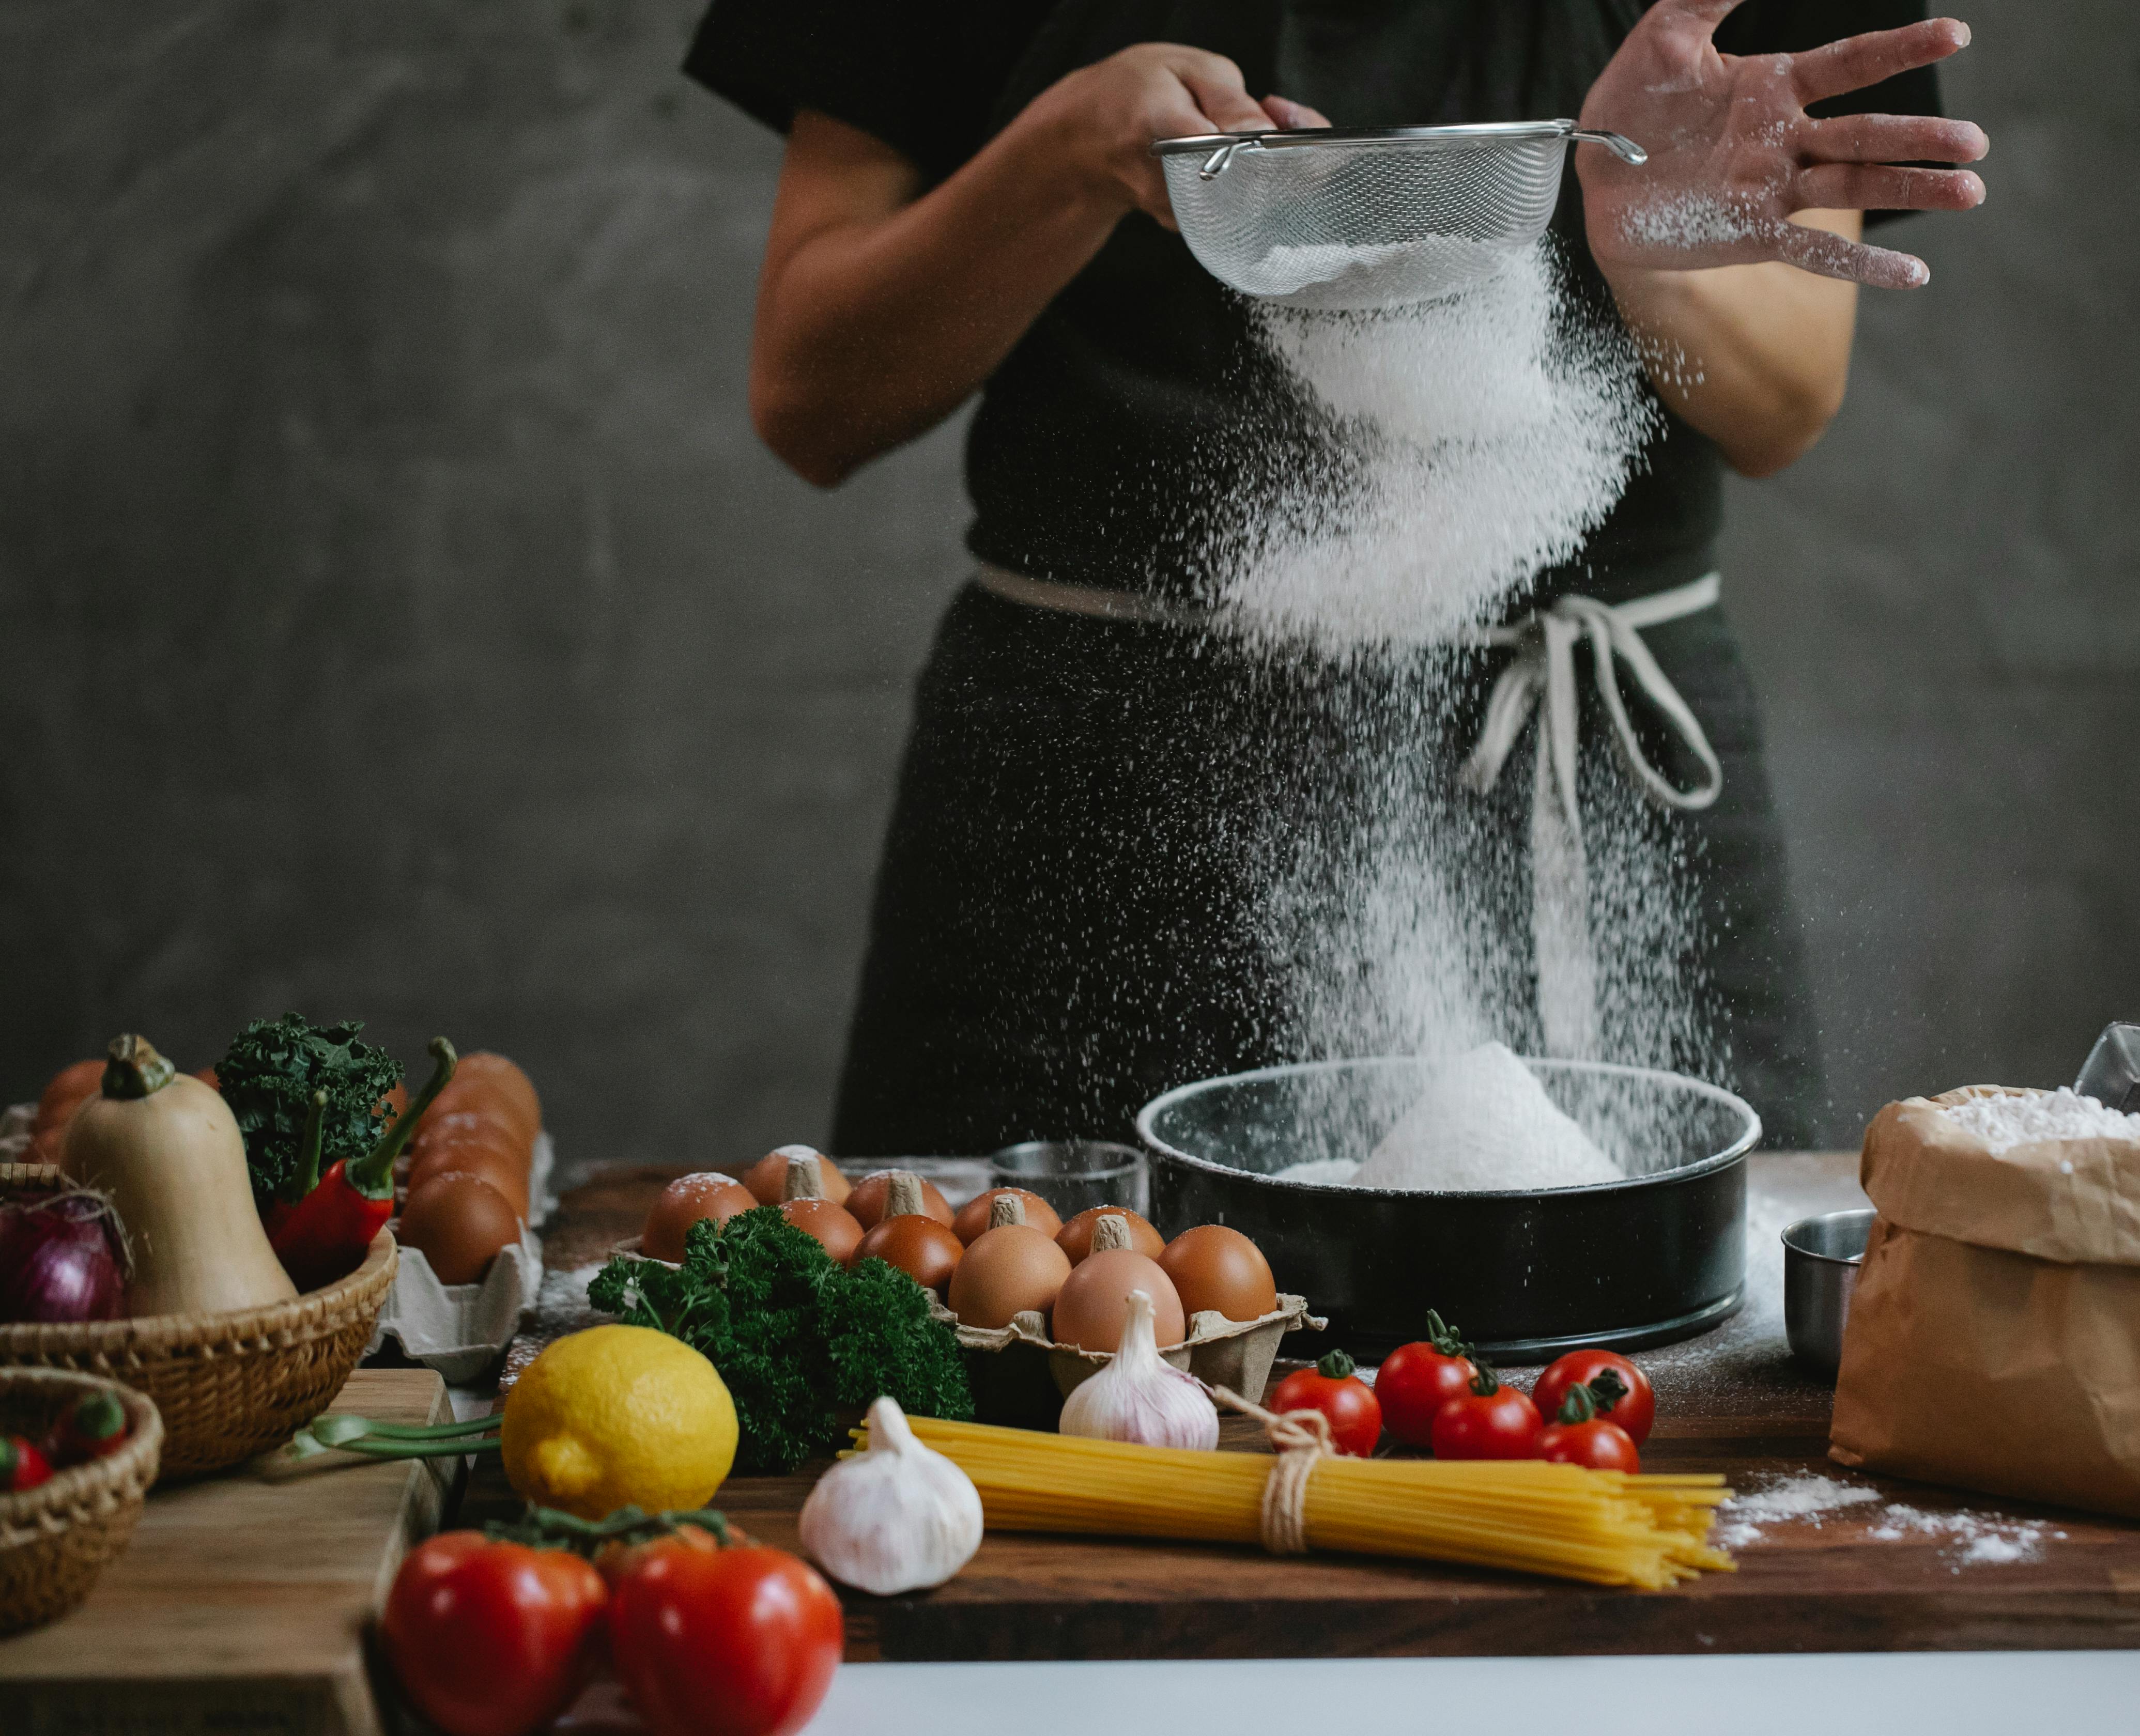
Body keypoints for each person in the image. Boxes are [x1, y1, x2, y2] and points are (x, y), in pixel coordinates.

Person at [682, 1, 1989, 1154]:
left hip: (1585, 782)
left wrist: (1650, 241)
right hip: (1091, 793)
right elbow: (811, 395)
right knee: (1031, 1366)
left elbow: (1787, 404)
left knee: (1653, 1370)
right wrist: (1064, 155)